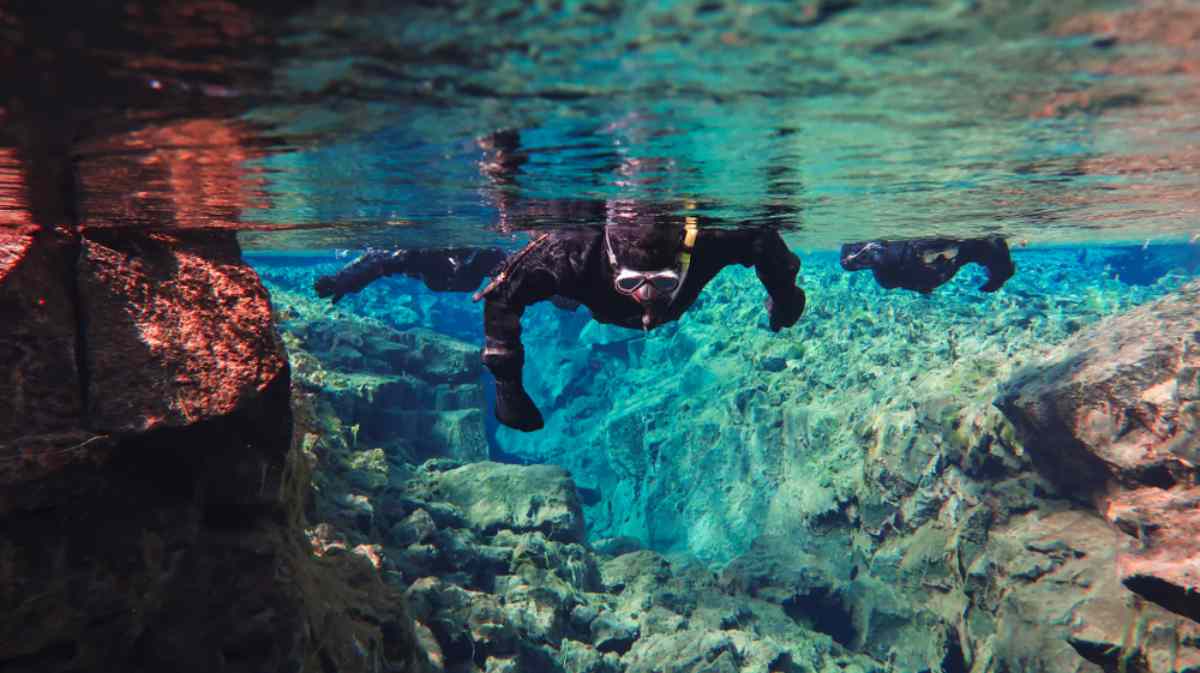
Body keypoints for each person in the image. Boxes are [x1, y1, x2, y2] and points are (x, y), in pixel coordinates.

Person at [316, 213, 806, 432]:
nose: (648, 301)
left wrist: (785, 297)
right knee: (473, 267)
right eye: (633, 283)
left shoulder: (712, 241)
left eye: (662, 280)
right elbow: (503, 301)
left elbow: (766, 243)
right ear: (614, 265)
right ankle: (378, 261)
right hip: (574, 288)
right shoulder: (565, 255)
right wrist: (507, 385)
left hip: (587, 286)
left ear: (682, 255)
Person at [839, 235, 1015, 294]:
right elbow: (847, 261)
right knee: (886, 282)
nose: (943, 259)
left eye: (949, 253)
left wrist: (996, 280)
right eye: (935, 256)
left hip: (921, 278)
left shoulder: (964, 251)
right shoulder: (890, 262)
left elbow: (1000, 260)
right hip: (905, 273)